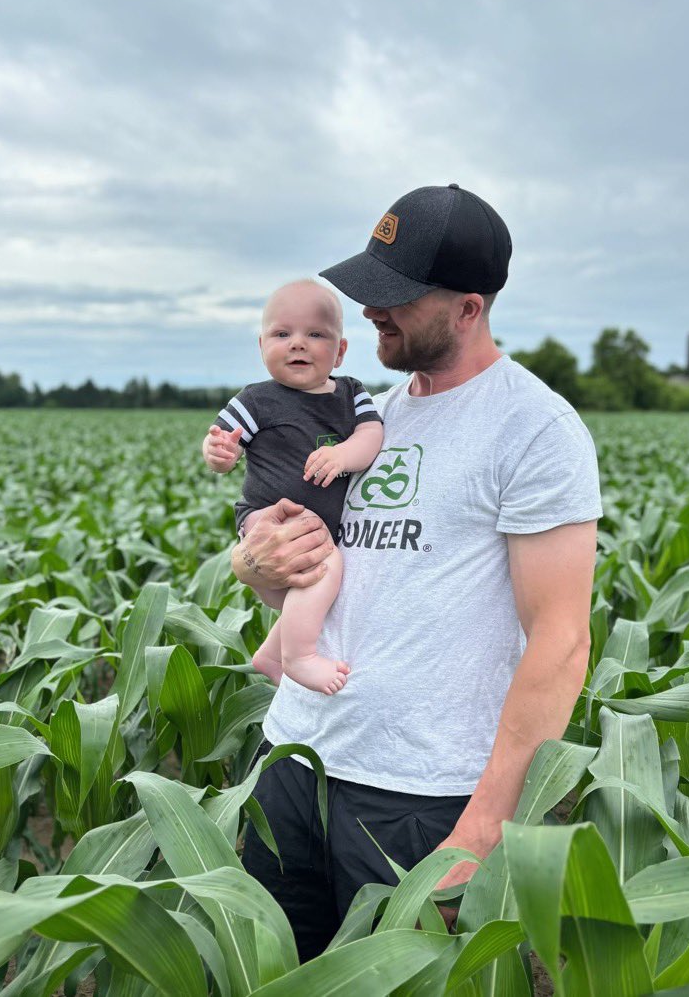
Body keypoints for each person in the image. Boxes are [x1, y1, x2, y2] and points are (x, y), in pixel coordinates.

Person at [234, 184, 602, 960]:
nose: (370, 311)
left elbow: (562, 641)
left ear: (469, 308)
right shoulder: (362, 416)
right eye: (368, 289)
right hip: (296, 758)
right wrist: (252, 563)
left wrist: (483, 826)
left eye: (396, 297)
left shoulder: (532, 427)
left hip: (414, 795)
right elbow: (317, 573)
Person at [204, 279, 383, 695]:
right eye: (282, 334)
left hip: (315, 523)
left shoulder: (351, 394)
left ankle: (270, 651)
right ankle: (298, 657)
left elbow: (371, 434)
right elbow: (222, 439)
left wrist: (343, 455)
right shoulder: (256, 400)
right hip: (269, 515)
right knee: (324, 568)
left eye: (315, 334)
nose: (297, 344)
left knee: (316, 577)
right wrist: (220, 454)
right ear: (262, 344)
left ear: (339, 351)